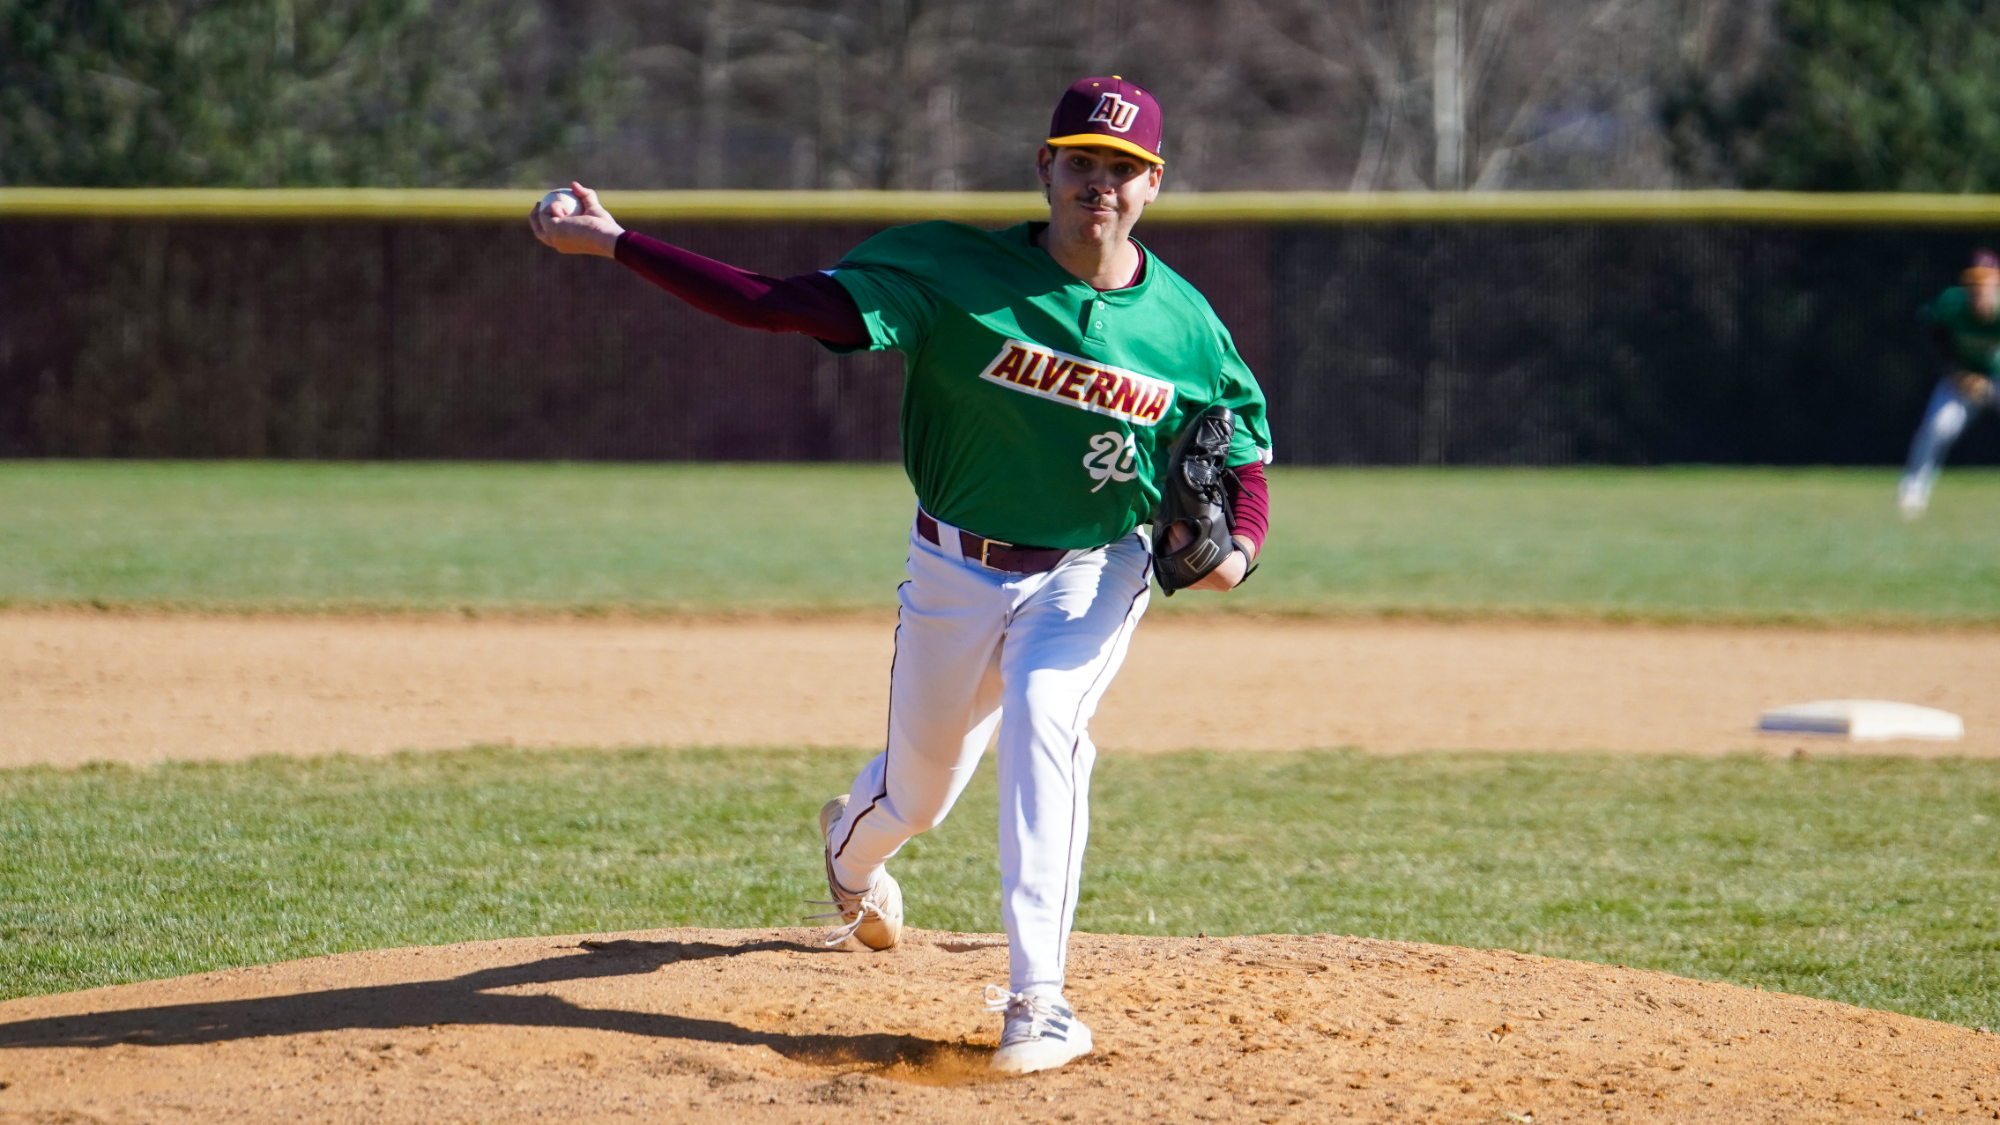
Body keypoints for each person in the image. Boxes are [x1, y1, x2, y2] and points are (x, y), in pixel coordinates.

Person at [529, 76, 1272, 1075]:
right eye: (1081, 162)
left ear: (1152, 186)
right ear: (1044, 168)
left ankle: (1037, 1003)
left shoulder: (1182, 323)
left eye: (1122, 169)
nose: (1100, 183)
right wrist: (618, 244)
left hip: (1092, 571)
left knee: (1050, 715)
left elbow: (1236, 441)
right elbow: (776, 307)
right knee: (916, 795)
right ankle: (850, 855)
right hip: (952, 568)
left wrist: (1240, 544)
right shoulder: (947, 268)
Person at [1898, 250, 2000, 519]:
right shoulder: (1951, 304)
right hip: (1963, 379)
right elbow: (1932, 332)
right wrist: (1955, 372)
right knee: (1938, 426)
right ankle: (1913, 491)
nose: (1980, 288)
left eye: (1986, 281)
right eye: (1974, 281)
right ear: (1965, 284)